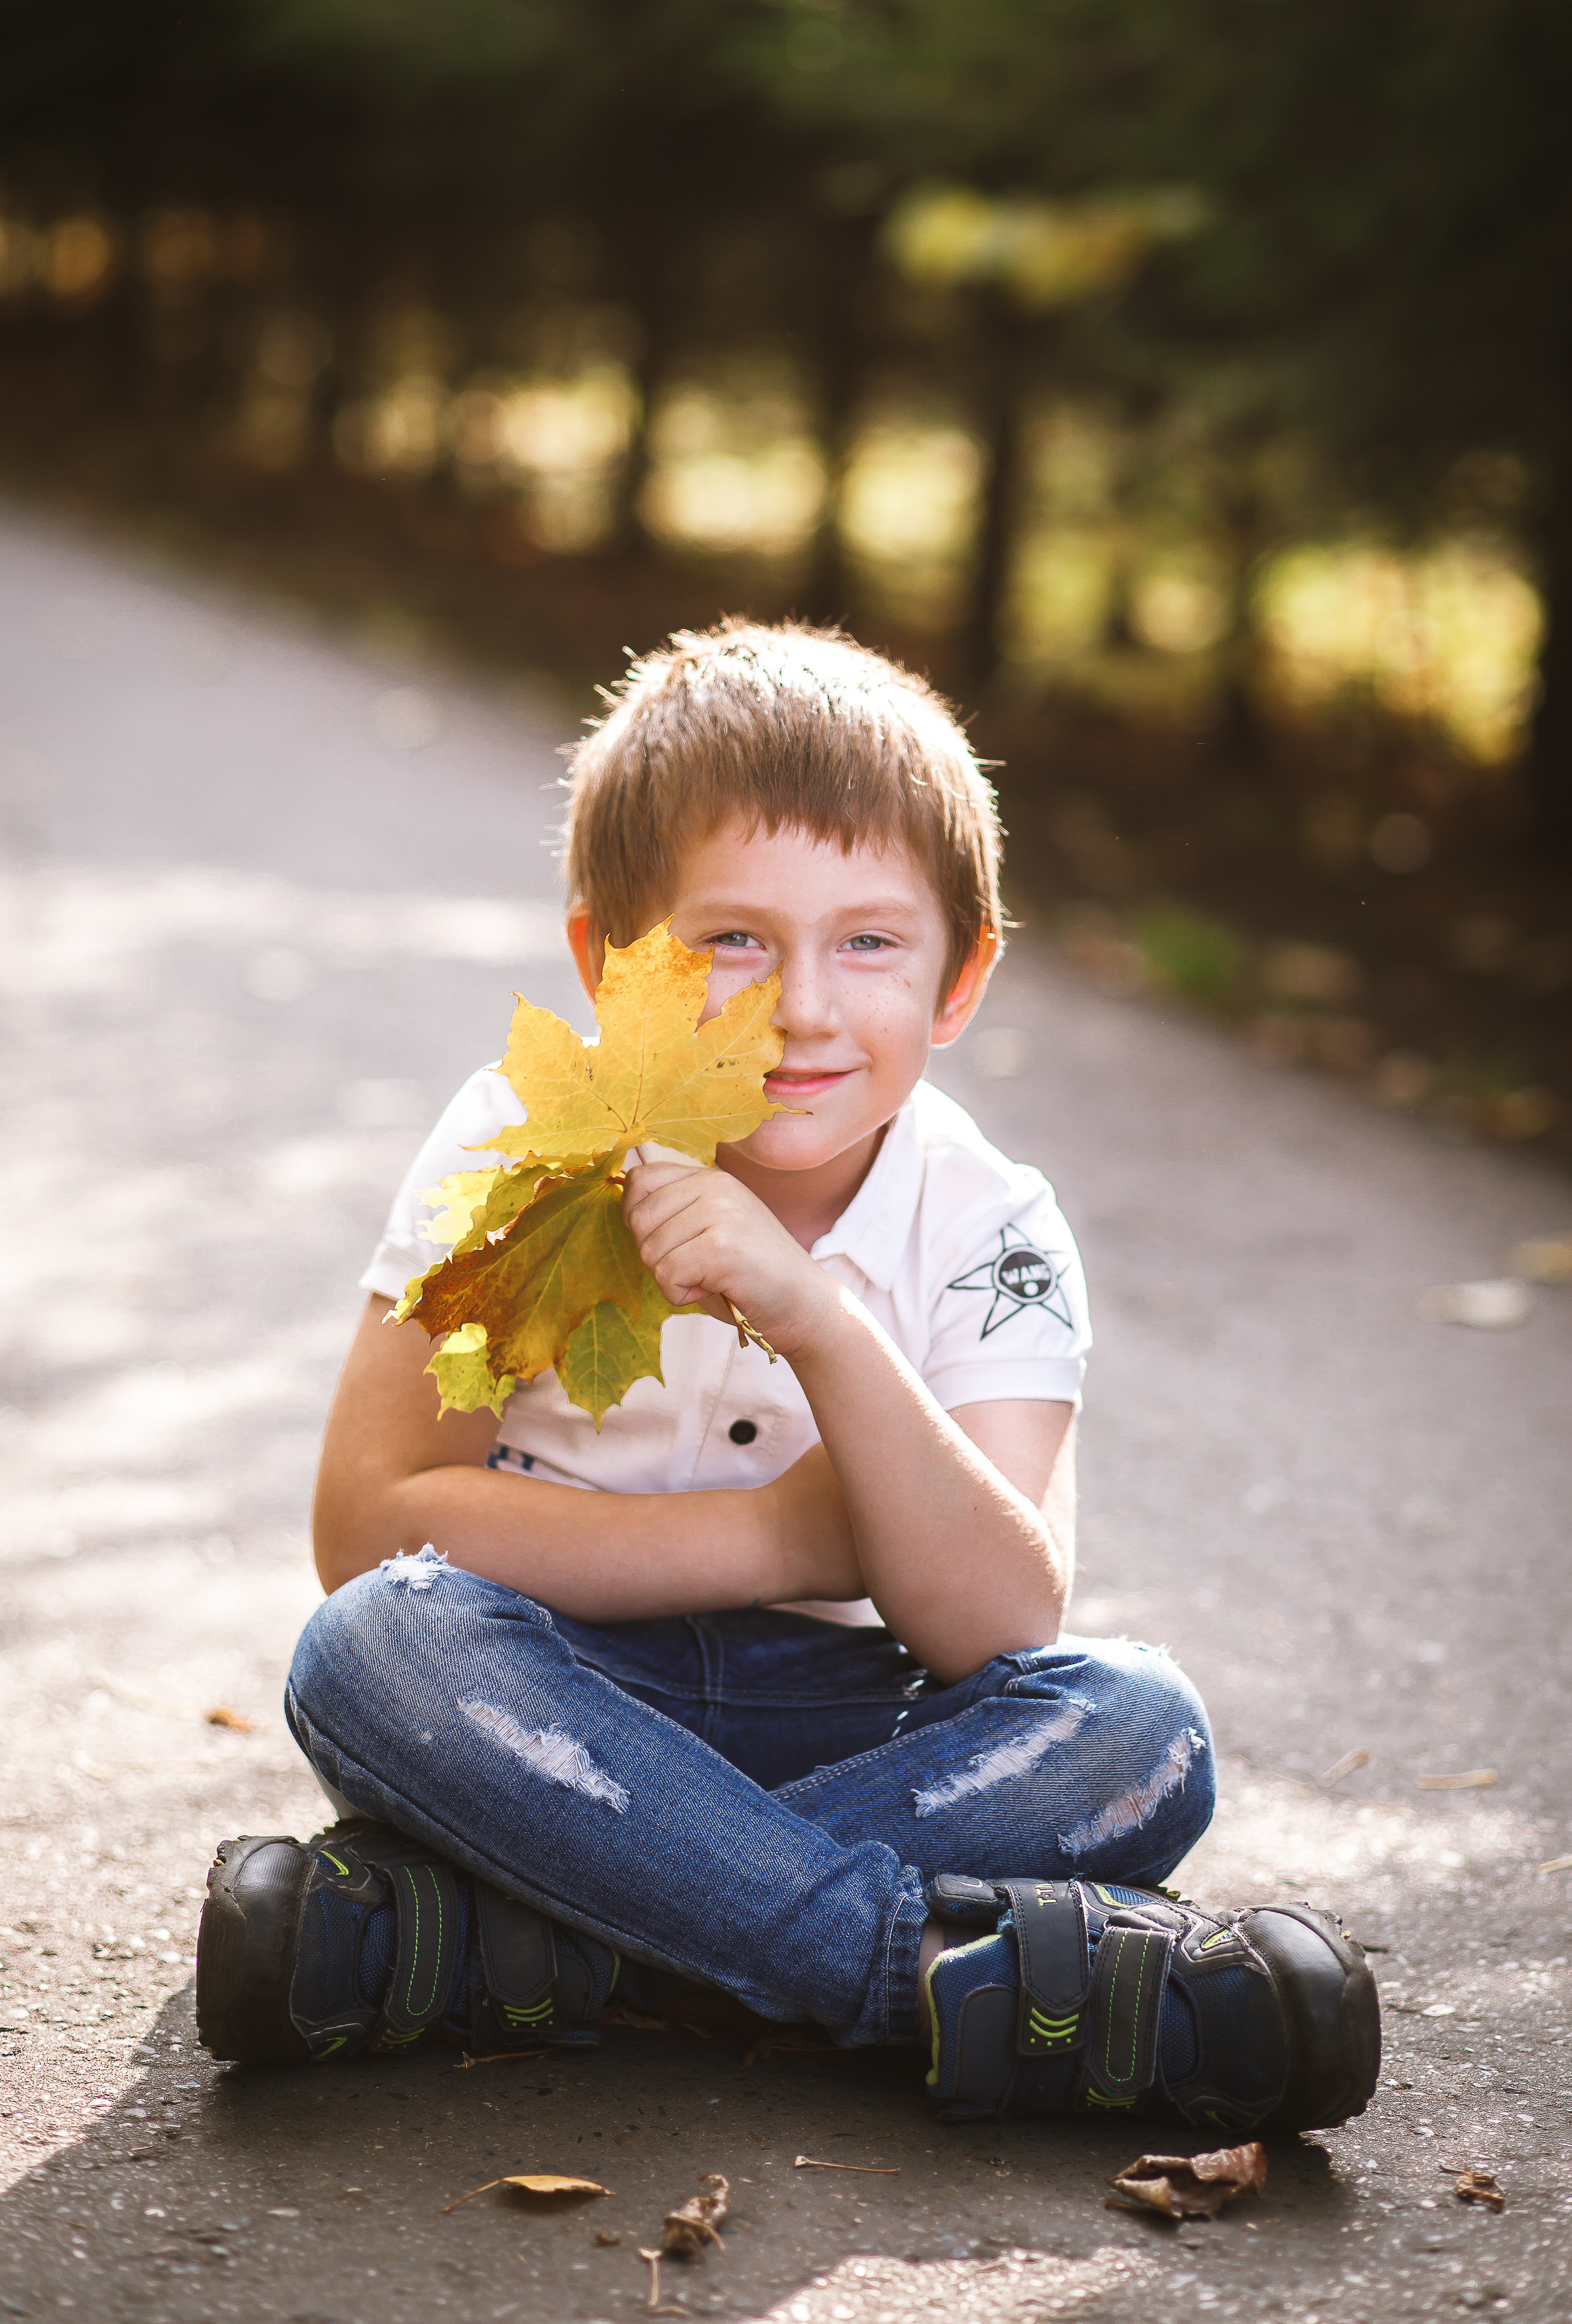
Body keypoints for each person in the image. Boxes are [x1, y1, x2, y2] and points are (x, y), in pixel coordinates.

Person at [196, 624, 1378, 2129]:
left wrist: (820, 1320)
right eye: (734, 943)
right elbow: (369, 1527)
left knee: (1141, 1731)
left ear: (961, 978)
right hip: (553, 1711)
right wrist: (780, 1535)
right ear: (607, 965)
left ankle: (527, 1945)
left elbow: (1000, 1624)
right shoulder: (525, 1148)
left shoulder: (993, 1230)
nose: (804, 1008)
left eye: (870, 943)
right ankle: (925, 1976)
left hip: (852, 1727)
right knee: (375, 1644)